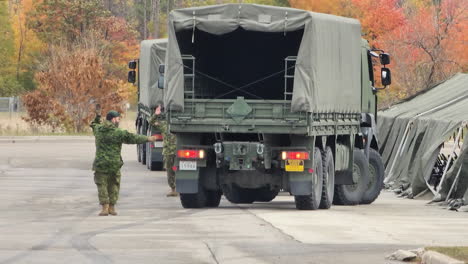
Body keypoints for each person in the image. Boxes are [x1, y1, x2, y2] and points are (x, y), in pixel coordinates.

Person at [91, 105, 157, 216]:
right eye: (117, 119)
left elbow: (94, 125)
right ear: (113, 119)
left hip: (100, 164)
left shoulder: (98, 130)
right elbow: (133, 138)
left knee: (101, 185)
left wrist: (98, 116)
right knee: (114, 185)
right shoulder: (119, 133)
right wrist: (148, 138)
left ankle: (104, 207)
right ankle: (112, 207)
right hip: (114, 164)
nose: (118, 121)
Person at [150, 105, 178, 197]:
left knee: (178, 170)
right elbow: (151, 122)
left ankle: (179, 188)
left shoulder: (179, 123)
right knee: (170, 171)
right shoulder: (163, 124)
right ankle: (173, 189)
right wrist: (156, 114)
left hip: (177, 151)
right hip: (169, 151)